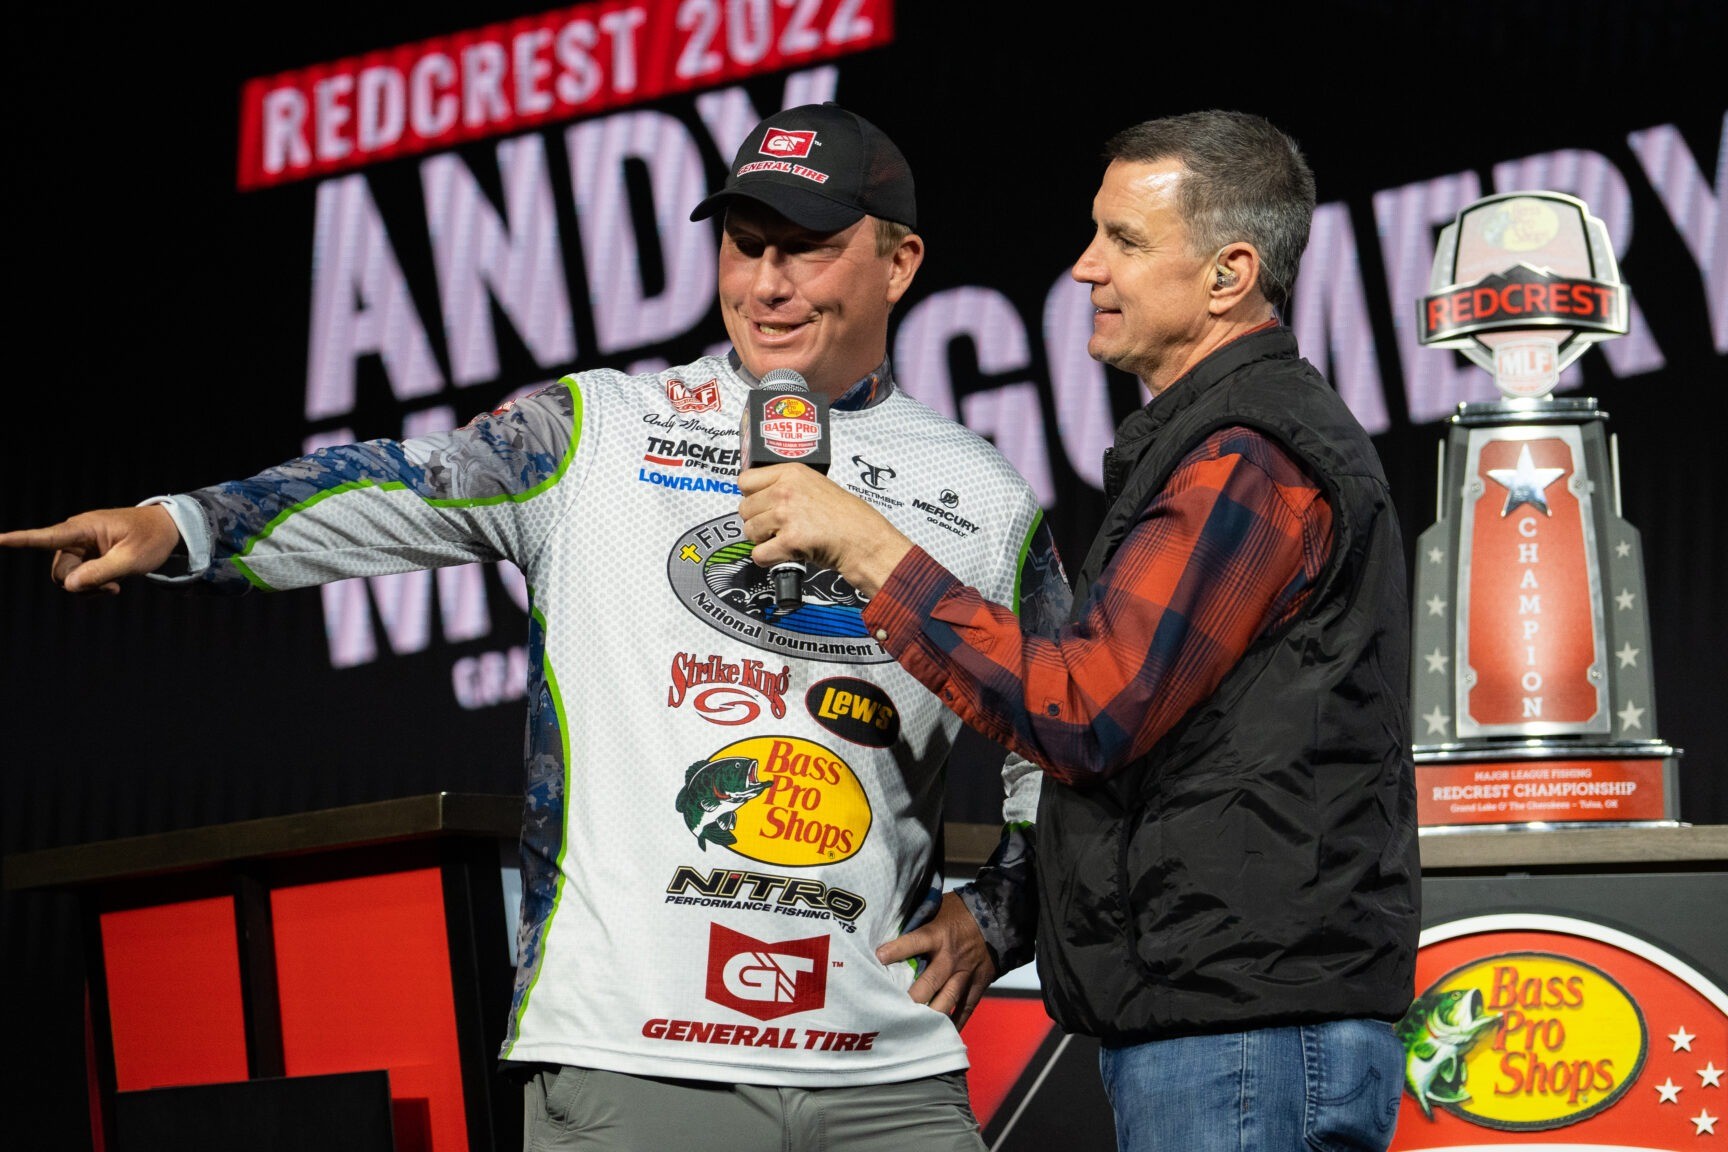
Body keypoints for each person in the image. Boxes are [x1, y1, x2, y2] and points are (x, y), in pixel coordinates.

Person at [0, 103, 1070, 1152]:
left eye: (809, 249)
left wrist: (1004, 912)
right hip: (627, 1058)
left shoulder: (981, 493)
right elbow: (399, 483)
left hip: (886, 1071)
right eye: (746, 247)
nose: (767, 284)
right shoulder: (600, 427)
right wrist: (184, 525)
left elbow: (1068, 733)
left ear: (899, 261)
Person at [740, 109, 1420, 1151]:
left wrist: (869, 549)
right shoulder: (1220, 439)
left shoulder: (1249, 455)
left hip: (1244, 1041)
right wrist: (1007, 913)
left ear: (1229, 274)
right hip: (1230, 1027)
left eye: (1125, 241)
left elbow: (1085, 708)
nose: (1085, 266)